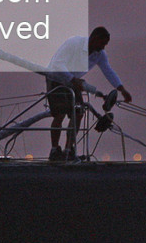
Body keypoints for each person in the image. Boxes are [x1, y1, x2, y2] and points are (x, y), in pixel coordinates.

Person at [45, 26, 132, 161]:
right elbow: (58, 63)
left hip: (74, 82)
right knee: (60, 114)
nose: (103, 48)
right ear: (94, 38)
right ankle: (54, 150)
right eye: (102, 44)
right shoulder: (74, 43)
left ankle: (69, 149)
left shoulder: (100, 54)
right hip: (57, 77)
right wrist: (72, 79)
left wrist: (121, 89)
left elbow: (108, 70)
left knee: (79, 113)